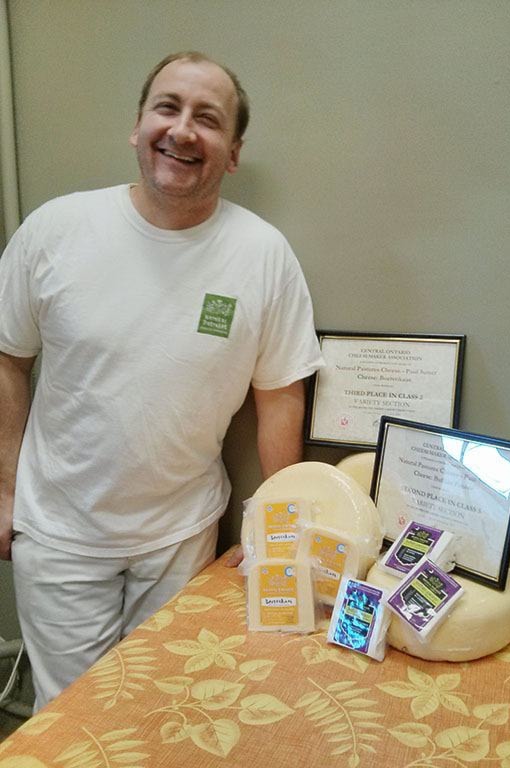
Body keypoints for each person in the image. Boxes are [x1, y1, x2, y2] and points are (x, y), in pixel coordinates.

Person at [0, 51, 323, 709]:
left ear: (232, 152)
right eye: (167, 107)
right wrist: (4, 488)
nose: (183, 130)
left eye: (208, 119)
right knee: (71, 720)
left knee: (165, 709)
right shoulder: (55, 231)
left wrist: (276, 528)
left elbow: (281, 394)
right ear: (138, 124)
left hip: (183, 535)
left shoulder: (263, 255)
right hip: (61, 534)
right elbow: (8, 356)